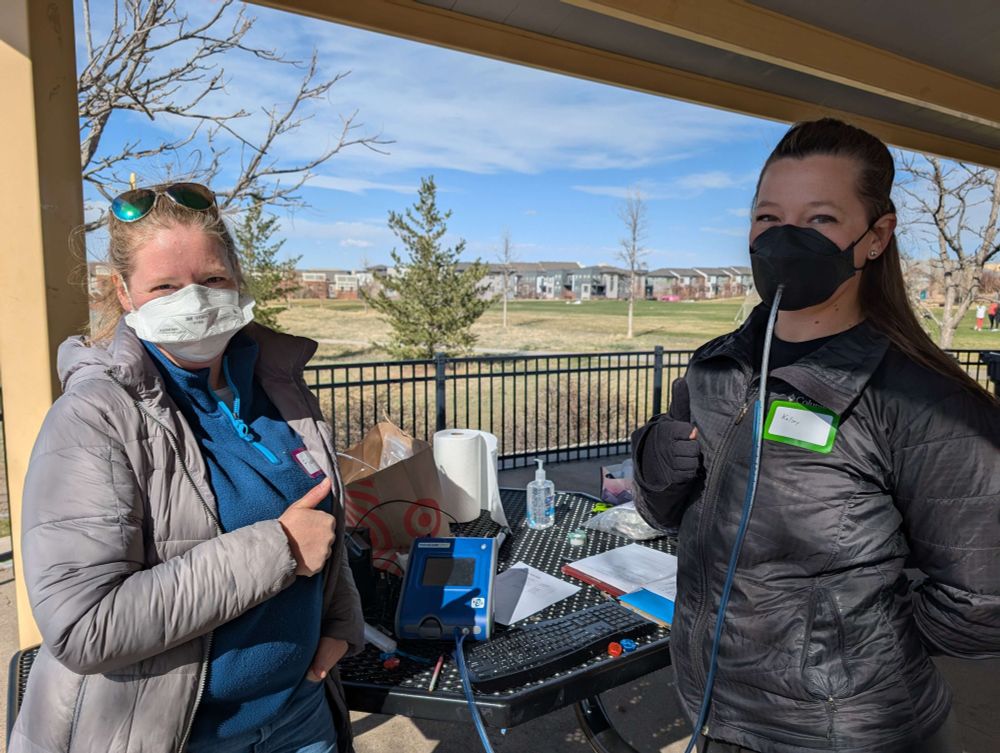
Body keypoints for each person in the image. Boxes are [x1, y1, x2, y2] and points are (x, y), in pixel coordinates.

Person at [632, 119, 1000, 753]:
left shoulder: (925, 403)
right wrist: (656, 461)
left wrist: (853, 653)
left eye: (822, 219)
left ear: (875, 237)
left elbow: (983, 601)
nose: (786, 239)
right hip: (714, 711)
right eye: (768, 217)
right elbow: (664, 513)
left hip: (851, 734)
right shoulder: (715, 368)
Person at [10, 183, 364, 753]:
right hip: (170, 736)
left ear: (237, 280)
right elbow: (84, 626)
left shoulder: (278, 387)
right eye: (166, 287)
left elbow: (320, 521)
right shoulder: (95, 417)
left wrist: (339, 628)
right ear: (125, 295)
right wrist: (277, 551)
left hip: (298, 716)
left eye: (213, 280)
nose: (195, 302)